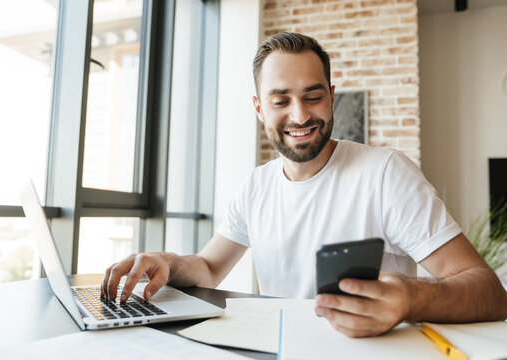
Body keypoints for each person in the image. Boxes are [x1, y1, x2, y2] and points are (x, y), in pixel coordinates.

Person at [101, 32, 507, 338]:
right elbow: (208, 269)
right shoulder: (256, 186)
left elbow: (489, 290)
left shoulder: (386, 172)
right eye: (281, 101)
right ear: (259, 108)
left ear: (331, 97)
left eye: (313, 96)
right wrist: (167, 264)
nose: (299, 116)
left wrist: (411, 299)